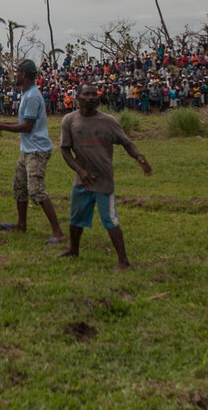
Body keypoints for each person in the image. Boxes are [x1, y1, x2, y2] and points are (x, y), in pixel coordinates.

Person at [59, 82, 152, 270]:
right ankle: (74, 250)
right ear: (77, 97)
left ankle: (123, 261)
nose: (91, 97)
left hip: (103, 180)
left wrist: (139, 157)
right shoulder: (69, 120)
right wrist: (80, 171)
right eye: (86, 94)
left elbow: (127, 143)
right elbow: (65, 150)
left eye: (94, 94)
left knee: (110, 219)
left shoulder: (108, 121)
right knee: (75, 217)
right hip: (82, 179)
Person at [0, 59, 66, 244]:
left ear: (25, 75)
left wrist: (0, 126)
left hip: (37, 150)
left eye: (18, 71)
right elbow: (24, 124)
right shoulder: (27, 94)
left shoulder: (32, 97)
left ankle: (58, 233)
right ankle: (21, 224)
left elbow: (27, 127)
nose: (16, 74)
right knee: (19, 187)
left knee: (36, 190)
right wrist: (2, 125)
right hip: (28, 150)